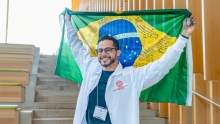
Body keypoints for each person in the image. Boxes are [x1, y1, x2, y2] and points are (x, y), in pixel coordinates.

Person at [65, 13, 196, 124]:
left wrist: (184, 35)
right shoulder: (90, 67)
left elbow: (163, 65)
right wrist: (68, 23)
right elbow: (75, 46)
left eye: (108, 50)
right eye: (100, 50)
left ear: (118, 52)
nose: (103, 54)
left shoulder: (132, 76)